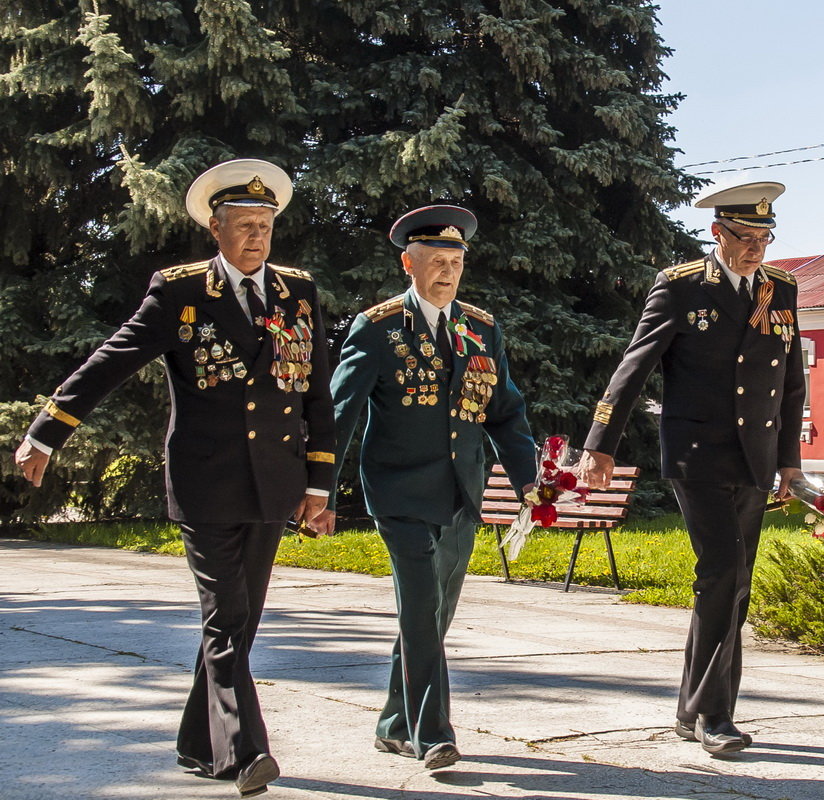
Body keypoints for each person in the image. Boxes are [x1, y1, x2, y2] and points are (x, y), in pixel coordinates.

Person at [12, 159, 335, 797]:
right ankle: (247, 752)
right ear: (215, 229)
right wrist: (47, 429)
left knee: (242, 621)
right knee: (226, 615)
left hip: (274, 482)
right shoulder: (180, 292)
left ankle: (197, 744)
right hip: (207, 483)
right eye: (243, 226)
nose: (256, 237)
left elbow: (316, 394)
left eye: (264, 225)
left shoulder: (298, 292)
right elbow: (110, 362)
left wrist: (318, 484)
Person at [579, 180, 806, 756]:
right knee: (722, 572)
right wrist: (599, 444)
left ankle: (691, 710)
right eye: (745, 237)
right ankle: (713, 714)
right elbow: (634, 367)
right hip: (697, 456)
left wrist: (790, 463)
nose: (756, 248)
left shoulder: (781, 290)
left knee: (737, 584)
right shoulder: (681, 288)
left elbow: (792, 383)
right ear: (717, 233)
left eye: (764, 237)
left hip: (756, 457)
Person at [317, 205, 536, 770]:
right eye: (436, 261)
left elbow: (504, 411)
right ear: (407, 264)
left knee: (434, 615)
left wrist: (527, 476)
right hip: (400, 494)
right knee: (419, 609)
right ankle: (432, 732)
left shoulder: (481, 328)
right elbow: (340, 414)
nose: (448, 271)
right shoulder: (378, 327)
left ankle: (393, 722)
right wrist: (317, 489)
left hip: (461, 494)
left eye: (456, 261)